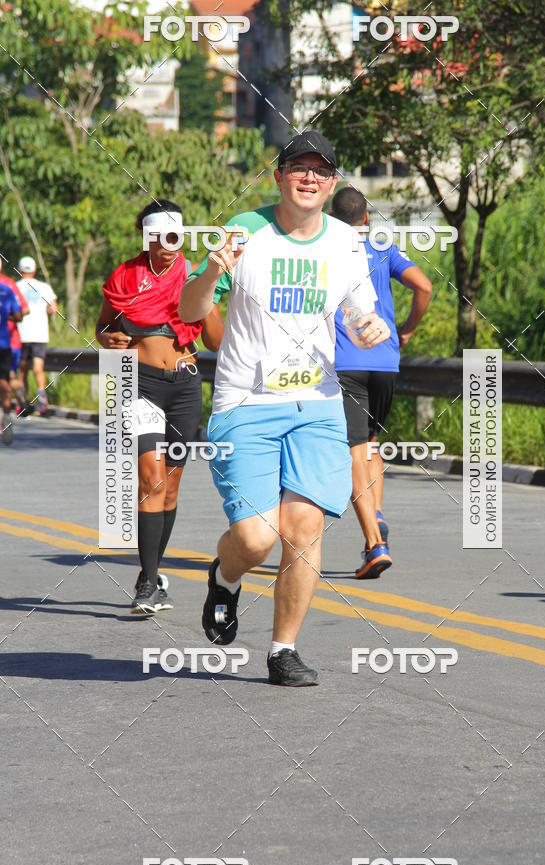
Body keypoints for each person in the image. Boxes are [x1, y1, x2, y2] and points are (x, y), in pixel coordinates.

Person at [179, 131, 391, 687]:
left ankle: (283, 650)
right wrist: (209, 271)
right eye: (299, 167)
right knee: (255, 538)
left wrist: (369, 328)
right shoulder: (246, 231)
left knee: (303, 527)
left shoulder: (346, 242)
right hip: (245, 404)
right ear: (278, 176)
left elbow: (361, 315)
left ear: (333, 183)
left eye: (322, 171)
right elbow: (190, 309)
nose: (310, 178)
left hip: (317, 404)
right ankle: (225, 578)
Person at [96, 199, 224, 615]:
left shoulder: (193, 274)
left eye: (176, 236)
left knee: (169, 487)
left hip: (185, 385)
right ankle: (148, 584)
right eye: (161, 236)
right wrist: (109, 339)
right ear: (147, 237)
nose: (170, 244)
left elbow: (216, 341)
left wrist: (213, 283)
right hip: (141, 383)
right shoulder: (125, 275)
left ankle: (150, 573)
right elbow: (104, 327)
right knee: (150, 478)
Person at [332, 187, 433, 578]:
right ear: (367, 219)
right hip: (385, 361)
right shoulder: (382, 246)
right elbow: (424, 286)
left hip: (346, 363)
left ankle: (375, 544)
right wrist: (404, 330)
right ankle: (375, 512)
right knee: (372, 445)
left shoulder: (323, 247)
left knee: (354, 451)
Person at [16, 256, 58, 415]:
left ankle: (23, 403)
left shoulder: (15, 287)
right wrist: (46, 311)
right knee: (38, 368)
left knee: (22, 371)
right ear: (34, 270)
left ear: (20, 270)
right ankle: (42, 396)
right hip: (40, 334)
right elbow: (53, 308)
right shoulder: (44, 287)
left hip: (21, 334)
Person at [0, 258, 29, 412]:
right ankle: (20, 402)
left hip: (9, 340)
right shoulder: (9, 285)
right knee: (9, 376)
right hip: (10, 341)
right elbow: (24, 311)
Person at [0, 277, 23, 445]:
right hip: (3, 343)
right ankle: (6, 412)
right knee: (4, 379)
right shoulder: (6, 290)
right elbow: (19, 315)